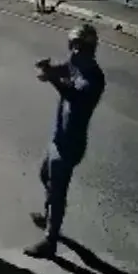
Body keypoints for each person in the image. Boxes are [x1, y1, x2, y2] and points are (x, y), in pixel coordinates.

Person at [25, 23, 106, 258]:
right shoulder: (76, 64)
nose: (71, 51)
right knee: (45, 176)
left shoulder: (94, 78)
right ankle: (50, 216)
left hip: (70, 145)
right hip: (58, 138)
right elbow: (63, 70)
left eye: (74, 46)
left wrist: (51, 78)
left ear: (81, 47)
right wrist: (48, 69)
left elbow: (74, 95)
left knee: (58, 191)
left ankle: (50, 241)